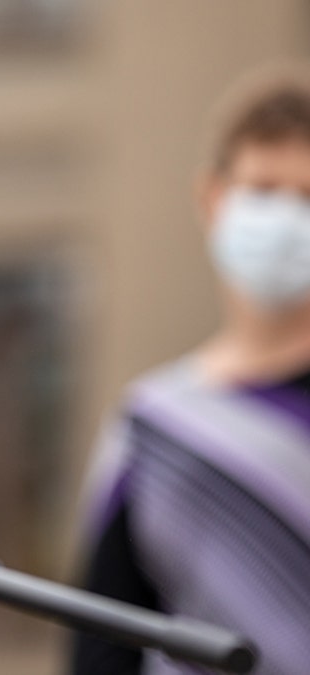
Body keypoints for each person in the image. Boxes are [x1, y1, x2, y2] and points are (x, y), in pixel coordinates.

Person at [72, 65, 310, 674]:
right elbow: (103, 640)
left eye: (307, 197)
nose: (286, 218)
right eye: (263, 189)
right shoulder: (151, 429)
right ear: (213, 198)